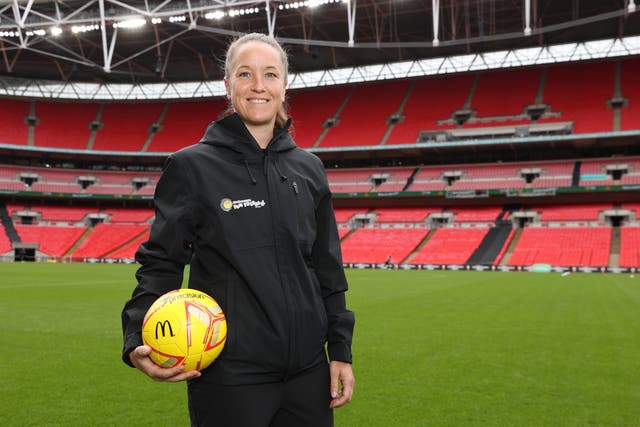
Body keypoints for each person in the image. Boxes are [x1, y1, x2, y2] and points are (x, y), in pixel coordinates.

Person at [121, 32, 355, 427]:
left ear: (285, 85)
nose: (259, 86)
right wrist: (135, 339)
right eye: (245, 74)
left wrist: (341, 351)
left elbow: (327, 268)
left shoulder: (309, 169)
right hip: (230, 378)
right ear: (228, 86)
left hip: (308, 374)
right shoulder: (191, 167)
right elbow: (161, 261)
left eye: (270, 74)